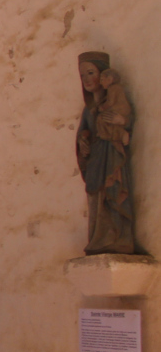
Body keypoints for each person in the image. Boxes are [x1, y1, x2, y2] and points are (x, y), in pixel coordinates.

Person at [75, 52, 135, 255]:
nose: (87, 79)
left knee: (113, 192)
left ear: (103, 75)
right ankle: (96, 239)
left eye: (91, 73)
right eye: (82, 75)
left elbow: (127, 119)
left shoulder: (115, 100)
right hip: (95, 159)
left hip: (111, 154)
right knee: (94, 196)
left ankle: (115, 237)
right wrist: (83, 142)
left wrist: (122, 122)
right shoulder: (88, 110)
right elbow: (84, 133)